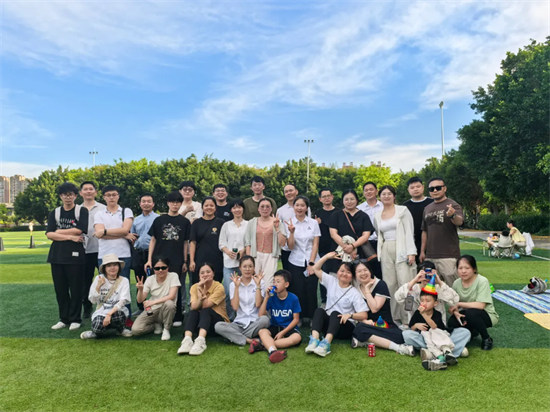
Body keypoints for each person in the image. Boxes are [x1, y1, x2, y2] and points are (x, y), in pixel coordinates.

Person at [305, 252, 368, 357]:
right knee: (320, 310)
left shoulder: (354, 292)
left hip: (344, 327)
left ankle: (326, 344)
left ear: (352, 276)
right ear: (337, 272)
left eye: (348, 272)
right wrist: (327, 257)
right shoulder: (331, 281)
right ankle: (314, 341)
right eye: (341, 271)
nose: (344, 274)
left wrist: (350, 315)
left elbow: (364, 315)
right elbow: (316, 268)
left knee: (335, 313)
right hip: (329, 325)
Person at [47, 182, 89, 331]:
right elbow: (49, 234)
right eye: (65, 194)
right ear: (61, 196)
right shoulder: (55, 212)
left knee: (76, 289)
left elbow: (80, 230)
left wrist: (58, 232)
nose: (68, 197)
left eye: (70, 194)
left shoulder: (81, 210)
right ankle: (63, 318)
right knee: (61, 289)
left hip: (75, 257)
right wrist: (70, 237)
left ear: (76, 196)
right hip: (57, 256)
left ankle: (75, 319)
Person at [372, 185, 416, 324]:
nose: (386, 196)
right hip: (386, 249)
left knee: (406, 284)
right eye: (383, 194)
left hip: (402, 248)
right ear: (380, 197)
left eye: (389, 193)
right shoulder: (377, 215)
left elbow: (409, 231)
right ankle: (395, 318)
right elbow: (379, 233)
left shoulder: (403, 211)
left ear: (394, 196)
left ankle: (409, 318)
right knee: (390, 284)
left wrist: (411, 252)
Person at [351, 260, 414, 356]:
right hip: (368, 326)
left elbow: (374, 308)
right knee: (359, 328)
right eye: (359, 271)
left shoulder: (380, 284)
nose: (363, 273)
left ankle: (365, 341)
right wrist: (364, 321)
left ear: (370, 271)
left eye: (365, 270)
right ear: (355, 274)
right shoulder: (356, 289)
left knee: (399, 337)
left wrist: (367, 290)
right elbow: (358, 312)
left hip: (386, 326)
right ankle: (398, 348)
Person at [146, 191, 190, 327]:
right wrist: (149, 260)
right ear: (168, 203)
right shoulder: (159, 220)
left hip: (177, 260)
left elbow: (185, 243)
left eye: (177, 202)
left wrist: (185, 261)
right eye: (172, 202)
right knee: (158, 287)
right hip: (159, 259)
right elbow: (153, 240)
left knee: (176, 287)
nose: (175, 205)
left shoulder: (185, 222)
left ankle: (177, 316)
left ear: (181, 204)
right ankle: (157, 316)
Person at [93, 184, 134, 324]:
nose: (111, 197)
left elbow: (125, 229)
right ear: (104, 197)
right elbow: (99, 234)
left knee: (123, 287)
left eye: (114, 195)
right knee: (105, 287)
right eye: (108, 195)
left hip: (123, 254)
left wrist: (105, 232)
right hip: (104, 255)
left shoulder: (126, 211)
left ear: (118, 196)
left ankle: (126, 319)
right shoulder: (99, 214)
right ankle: (104, 316)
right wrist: (122, 233)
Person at [214, 255, 270, 346]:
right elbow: (235, 307)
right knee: (218, 326)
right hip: (239, 323)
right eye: (244, 266)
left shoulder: (260, 282)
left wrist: (258, 286)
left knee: (265, 320)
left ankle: (235, 337)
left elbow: (258, 304)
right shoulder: (233, 284)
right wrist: (237, 287)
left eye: (250, 266)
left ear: (254, 268)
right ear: (240, 268)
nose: (247, 269)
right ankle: (248, 340)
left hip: (255, 322)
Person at [249, 270, 302, 363]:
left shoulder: (293, 298)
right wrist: (266, 297)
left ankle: (263, 344)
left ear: (286, 284)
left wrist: (283, 333)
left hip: (288, 328)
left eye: (278, 282)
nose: (275, 284)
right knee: (262, 331)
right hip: (275, 326)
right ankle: (273, 351)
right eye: (274, 281)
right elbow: (261, 314)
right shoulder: (271, 297)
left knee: (297, 338)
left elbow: (296, 320)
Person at [448, 255, 498, 350]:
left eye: (467, 268)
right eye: (460, 268)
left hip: (486, 315)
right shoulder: (456, 283)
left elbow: (481, 305)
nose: (463, 271)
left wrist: (459, 304)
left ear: (474, 269)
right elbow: (452, 306)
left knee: (471, 313)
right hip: (466, 314)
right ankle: (472, 331)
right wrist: (456, 312)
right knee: (451, 322)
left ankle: (486, 338)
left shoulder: (482, 281)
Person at [177, 263, 229, 356]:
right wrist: (199, 292)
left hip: (218, 324)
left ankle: (201, 341)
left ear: (213, 274)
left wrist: (202, 291)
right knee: (193, 312)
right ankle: (187, 340)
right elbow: (194, 306)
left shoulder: (219, 287)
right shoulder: (194, 287)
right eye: (202, 273)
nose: (205, 274)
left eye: (208, 272)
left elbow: (206, 305)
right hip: (202, 324)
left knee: (205, 310)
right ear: (199, 275)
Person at [420, 177, 464, 286]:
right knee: (431, 289)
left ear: (445, 188)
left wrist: (452, 215)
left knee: (452, 288)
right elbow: (424, 231)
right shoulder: (427, 208)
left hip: (448, 255)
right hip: (430, 256)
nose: (435, 190)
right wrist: (422, 251)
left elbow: (459, 222)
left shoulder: (453, 205)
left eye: (438, 188)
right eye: (432, 189)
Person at [80, 254, 132, 339]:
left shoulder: (124, 280)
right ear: (104, 268)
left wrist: (109, 314)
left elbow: (123, 300)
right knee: (97, 327)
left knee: (119, 315)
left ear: (119, 267)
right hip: (102, 310)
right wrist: (98, 286)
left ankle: (121, 329)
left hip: (117, 310)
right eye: (109, 265)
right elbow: (92, 300)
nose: (112, 268)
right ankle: (95, 332)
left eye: (115, 265)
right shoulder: (99, 278)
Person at [404, 288, 457, 371]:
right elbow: (411, 327)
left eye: (428, 301)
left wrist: (423, 314)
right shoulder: (417, 313)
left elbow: (434, 327)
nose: (424, 303)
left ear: (435, 303)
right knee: (407, 334)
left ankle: (442, 353)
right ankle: (443, 356)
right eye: (422, 301)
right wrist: (416, 325)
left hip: (440, 337)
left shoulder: (437, 314)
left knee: (463, 332)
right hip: (425, 339)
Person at [286, 195, 320, 321]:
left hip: (312, 260)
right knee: (297, 290)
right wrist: (291, 233)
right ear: (293, 207)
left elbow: (315, 244)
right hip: (295, 260)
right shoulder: (289, 223)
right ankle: (298, 317)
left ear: (306, 208)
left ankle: (312, 317)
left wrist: (311, 263)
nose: (299, 208)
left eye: (302, 205)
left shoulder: (313, 223)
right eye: (297, 205)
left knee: (311, 289)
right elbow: (290, 246)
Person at [394, 261, 460, 326]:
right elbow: (398, 298)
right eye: (424, 274)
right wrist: (414, 280)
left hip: (437, 327)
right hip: (416, 326)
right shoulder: (412, 289)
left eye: (429, 274)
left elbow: (455, 300)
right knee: (406, 332)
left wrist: (439, 281)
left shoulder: (440, 288)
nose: (426, 277)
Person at [132, 256, 180, 341]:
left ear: (168, 268)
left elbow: (172, 296)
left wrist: (153, 302)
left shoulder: (173, 276)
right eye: (157, 268)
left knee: (170, 304)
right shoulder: (150, 279)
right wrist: (140, 290)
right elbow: (140, 300)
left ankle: (166, 329)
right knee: (136, 330)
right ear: (153, 269)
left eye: (163, 268)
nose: (160, 270)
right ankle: (155, 325)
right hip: (152, 310)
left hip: (165, 308)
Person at [244, 198, 287, 287]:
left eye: (267, 207)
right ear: (258, 209)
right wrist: (249, 259)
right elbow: (248, 243)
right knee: (254, 282)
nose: (265, 209)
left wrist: (277, 228)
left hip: (271, 256)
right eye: (262, 207)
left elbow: (282, 243)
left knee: (268, 283)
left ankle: (267, 296)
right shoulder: (252, 222)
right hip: (255, 255)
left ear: (271, 209)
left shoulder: (277, 222)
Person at [79, 181, 106, 319]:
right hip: (84, 251)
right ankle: (87, 308)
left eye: (91, 189)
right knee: (85, 282)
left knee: (105, 280)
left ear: (96, 192)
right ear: (81, 193)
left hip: (102, 250)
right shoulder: (77, 209)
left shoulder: (103, 208)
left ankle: (105, 306)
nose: (88, 191)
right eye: (85, 189)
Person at [218, 198, 249, 319]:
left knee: (244, 291)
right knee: (228, 291)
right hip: (229, 263)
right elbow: (221, 243)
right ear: (231, 210)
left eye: (239, 207)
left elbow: (250, 242)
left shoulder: (248, 224)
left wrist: (243, 250)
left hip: (244, 263)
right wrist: (228, 252)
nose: (237, 210)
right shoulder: (226, 225)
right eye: (234, 208)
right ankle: (230, 317)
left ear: (243, 209)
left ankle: (243, 315)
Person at [131, 194, 159, 315]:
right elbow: (132, 235)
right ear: (140, 204)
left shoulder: (158, 219)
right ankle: (141, 307)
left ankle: (155, 305)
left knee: (155, 279)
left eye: (149, 201)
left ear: (153, 204)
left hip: (153, 253)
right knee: (140, 279)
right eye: (143, 201)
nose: (146, 203)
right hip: (139, 253)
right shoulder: (136, 220)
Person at [329, 189, 374, 261]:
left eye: (352, 199)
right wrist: (346, 247)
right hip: (340, 252)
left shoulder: (364, 216)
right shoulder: (336, 215)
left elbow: (366, 235)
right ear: (343, 201)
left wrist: (352, 246)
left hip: (359, 252)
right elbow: (333, 234)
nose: (349, 202)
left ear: (356, 200)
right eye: (346, 199)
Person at [189, 197, 225, 284]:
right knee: (198, 286)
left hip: (217, 260)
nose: (209, 207)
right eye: (206, 205)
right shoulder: (196, 223)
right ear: (202, 208)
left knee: (215, 286)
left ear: (215, 208)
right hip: (199, 260)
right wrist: (192, 261)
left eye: (211, 205)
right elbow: (193, 242)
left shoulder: (221, 223)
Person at [314, 187, 338, 305]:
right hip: (322, 249)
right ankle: (324, 301)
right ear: (320, 199)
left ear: (332, 197)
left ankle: (337, 299)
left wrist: (322, 223)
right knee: (323, 275)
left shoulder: (339, 212)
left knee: (337, 274)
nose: (327, 198)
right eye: (324, 196)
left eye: (328, 196)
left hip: (337, 248)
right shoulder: (317, 213)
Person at [277, 183, 310, 271]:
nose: (288, 193)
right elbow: (279, 229)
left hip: (303, 248)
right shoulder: (280, 211)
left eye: (291, 190)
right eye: (286, 191)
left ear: (296, 191)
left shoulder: (306, 208)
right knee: (287, 275)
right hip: (287, 249)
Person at [402, 177, 433, 264]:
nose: (415, 189)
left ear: (423, 187)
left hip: (431, 241)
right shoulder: (405, 206)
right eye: (412, 187)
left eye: (418, 186)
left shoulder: (432, 202)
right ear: (408, 190)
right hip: (412, 241)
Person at [358, 181, 383, 252]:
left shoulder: (383, 206)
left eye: (371, 189)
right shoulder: (359, 208)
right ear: (363, 193)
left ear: (376, 191)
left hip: (382, 241)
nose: (368, 192)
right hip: (365, 243)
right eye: (366, 190)